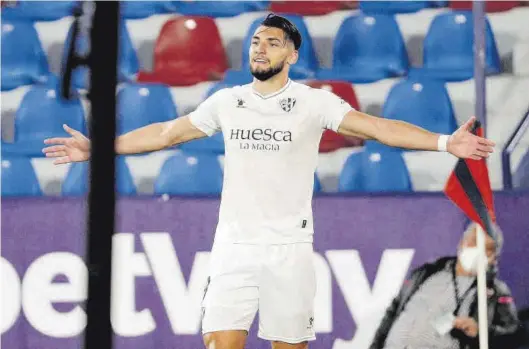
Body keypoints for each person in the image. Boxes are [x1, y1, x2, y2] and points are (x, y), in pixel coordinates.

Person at [43, 14, 496, 349]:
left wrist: (443, 143)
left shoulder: (314, 103)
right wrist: (99, 147)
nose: (260, 48)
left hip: (289, 248)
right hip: (234, 246)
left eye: (273, 42)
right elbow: (166, 133)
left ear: (292, 55)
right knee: (221, 343)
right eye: (256, 41)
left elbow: (376, 128)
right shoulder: (228, 101)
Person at [369, 222, 521, 349]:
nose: (477, 250)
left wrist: (480, 332)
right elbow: (393, 312)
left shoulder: (495, 292)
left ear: (494, 258)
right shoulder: (426, 273)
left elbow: (513, 334)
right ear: (462, 243)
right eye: (474, 242)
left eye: (486, 249)